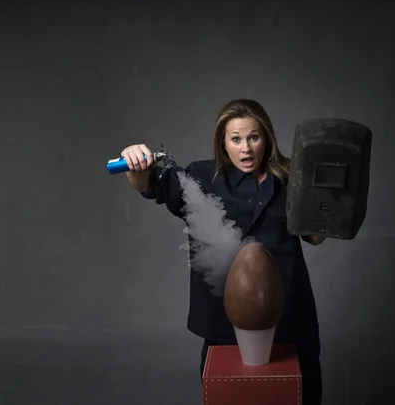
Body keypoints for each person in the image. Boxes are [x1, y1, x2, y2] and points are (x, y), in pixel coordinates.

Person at [120, 98, 324, 405]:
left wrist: (329, 195)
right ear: (223, 142)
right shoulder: (201, 179)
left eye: (253, 137)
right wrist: (133, 158)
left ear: (266, 137)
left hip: (289, 321)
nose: (246, 149)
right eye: (236, 139)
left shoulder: (290, 178)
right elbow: (146, 184)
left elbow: (317, 236)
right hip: (224, 326)